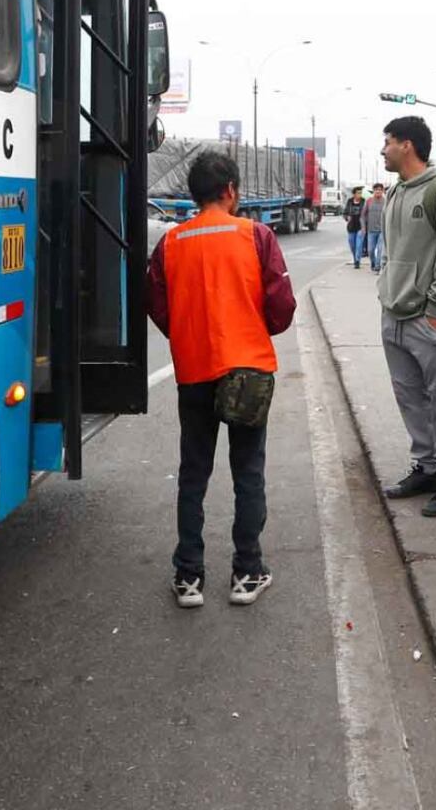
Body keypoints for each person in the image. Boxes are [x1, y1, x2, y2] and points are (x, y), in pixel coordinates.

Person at [147, 150, 297, 607]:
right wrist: (253, 328)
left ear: (194, 195)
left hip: (194, 369)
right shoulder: (257, 236)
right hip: (247, 369)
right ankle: (247, 573)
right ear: (231, 190)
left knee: (194, 473)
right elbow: (282, 306)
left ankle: (188, 576)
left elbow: (157, 304)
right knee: (247, 473)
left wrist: (189, 333)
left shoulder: (172, 242)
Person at [376, 116, 436, 517]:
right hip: (394, 313)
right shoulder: (398, 190)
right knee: (409, 397)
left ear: (406, 145)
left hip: (430, 317)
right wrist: (386, 296)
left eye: (387, 142)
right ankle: (428, 467)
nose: (383, 149)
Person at [363, 182, 387, 272]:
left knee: (380, 249)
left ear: (382, 191)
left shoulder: (386, 201)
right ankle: (373, 263)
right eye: (376, 190)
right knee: (370, 250)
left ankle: (378, 266)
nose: (378, 191)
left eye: (380, 190)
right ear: (373, 191)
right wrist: (363, 227)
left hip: (382, 230)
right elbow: (363, 215)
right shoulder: (369, 201)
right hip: (371, 230)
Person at [342, 186, 366, 267]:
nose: (360, 194)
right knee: (352, 245)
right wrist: (346, 217)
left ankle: (357, 261)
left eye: (360, 193)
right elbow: (345, 212)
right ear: (354, 194)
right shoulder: (349, 201)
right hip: (351, 227)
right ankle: (355, 258)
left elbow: (366, 213)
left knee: (359, 245)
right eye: (358, 193)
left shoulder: (363, 201)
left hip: (360, 226)